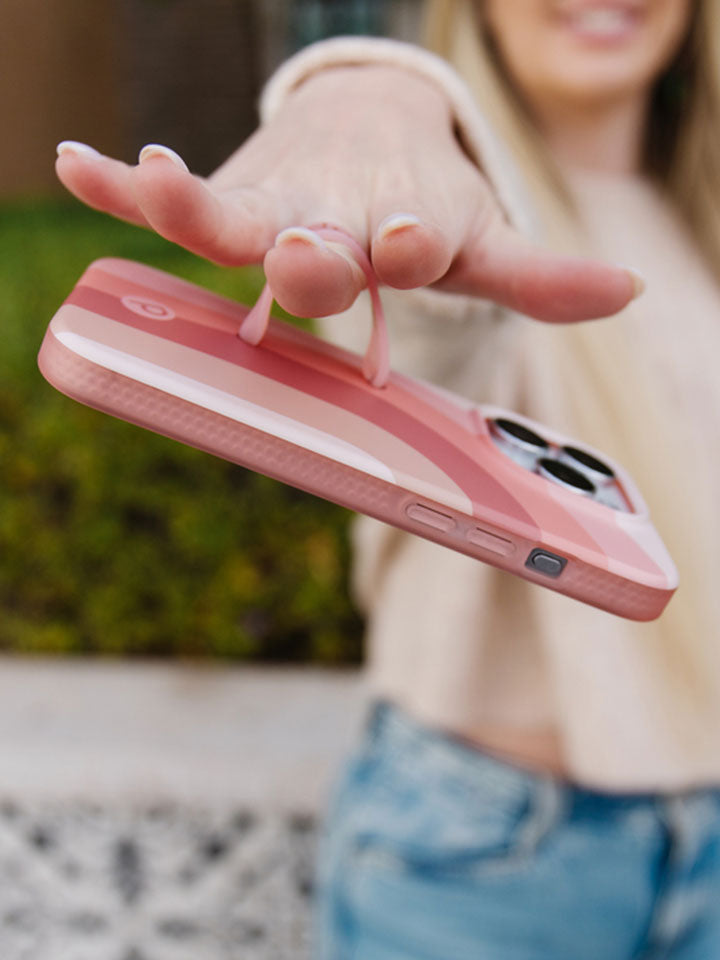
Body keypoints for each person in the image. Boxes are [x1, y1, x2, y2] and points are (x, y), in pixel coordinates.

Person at [55, 0, 720, 956]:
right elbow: (417, 267)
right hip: (483, 854)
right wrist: (371, 92)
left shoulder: (692, 216)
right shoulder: (472, 212)